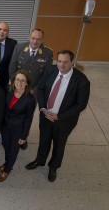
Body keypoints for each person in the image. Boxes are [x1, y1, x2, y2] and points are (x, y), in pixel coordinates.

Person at [25, 50, 90, 182]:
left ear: (72, 62)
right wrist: (43, 109)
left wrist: (59, 117)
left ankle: (53, 167)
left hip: (64, 120)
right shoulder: (50, 70)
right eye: (59, 61)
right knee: (44, 140)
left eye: (66, 62)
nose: (62, 65)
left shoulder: (82, 81)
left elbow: (80, 105)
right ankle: (40, 160)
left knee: (59, 144)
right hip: (45, 115)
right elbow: (41, 89)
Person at [9, 29, 53, 150]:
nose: (35, 41)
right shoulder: (19, 48)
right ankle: (10, 133)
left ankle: (23, 138)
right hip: (16, 88)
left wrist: (35, 89)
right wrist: (15, 85)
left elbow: (46, 75)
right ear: (29, 37)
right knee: (12, 112)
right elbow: (12, 68)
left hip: (33, 91)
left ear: (42, 40)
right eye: (33, 38)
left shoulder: (47, 53)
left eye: (38, 39)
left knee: (27, 116)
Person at [0, 70, 36, 182]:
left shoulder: (30, 99)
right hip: (5, 126)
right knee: (5, 144)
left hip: (18, 129)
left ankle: (7, 170)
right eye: (17, 79)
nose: (19, 82)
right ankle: (7, 163)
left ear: (27, 83)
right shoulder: (9, 91)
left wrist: (24, 136)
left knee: (13, 150)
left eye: (23, 80)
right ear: (13, 81)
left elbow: (29, 118)